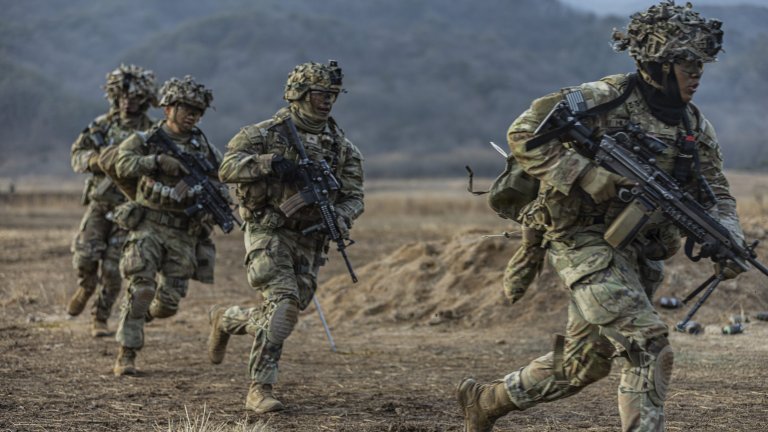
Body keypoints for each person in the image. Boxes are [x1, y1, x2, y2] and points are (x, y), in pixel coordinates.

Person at [457, 2, 745, 431]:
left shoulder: (694, 127)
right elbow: (523, 132)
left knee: (583, 365)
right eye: (687, 63)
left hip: (637, 253)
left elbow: (715, 192)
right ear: (658, 63)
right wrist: (587, 175)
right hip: (581, 240)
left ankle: (485, 402)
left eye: (701, 63)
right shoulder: (602, 98)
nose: (697, 73)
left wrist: (728, 236)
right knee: (648, 347)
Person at [209, 61, 364, 413]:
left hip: (311, 239)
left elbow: (355, 196)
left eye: (333, 96)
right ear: (299, 94)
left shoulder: (343, 149)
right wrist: (269, 163)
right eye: (321, 94)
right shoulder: (263, 134)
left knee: (287, 311)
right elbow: (226, 167)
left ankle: (227, 319)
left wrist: (341, 216)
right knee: (282, 306)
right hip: (269, 228)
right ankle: (259, 388)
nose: (327, 102)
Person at [112, 75, 222, 376]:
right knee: (141, 288)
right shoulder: (146, 141)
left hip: (184, 232)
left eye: (197, 111)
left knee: (168, 304)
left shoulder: (205, 149)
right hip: (148, 224)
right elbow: (121, 164)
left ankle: (136, 317)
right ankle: (127, 353)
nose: (192, 115)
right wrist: (156, 161)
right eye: (186, 108)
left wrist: (213, 205)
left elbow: (220, 179)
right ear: (167, 107)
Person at [67, 64, 157, 337]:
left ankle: (100, 317)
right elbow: (78, 153)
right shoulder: (103, 126)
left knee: (114, 269)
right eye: (121, 96)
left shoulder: (152, 132)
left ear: (144, 99)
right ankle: (85, 286)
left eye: (132, 97)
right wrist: (95, 161)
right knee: (84, 256)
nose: (126, 101)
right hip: (100, 203)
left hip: (129, 209)